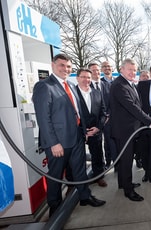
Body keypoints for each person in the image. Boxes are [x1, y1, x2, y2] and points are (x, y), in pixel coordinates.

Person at [32, 54, 105, 217]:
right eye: (62, 65)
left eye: (69, 66)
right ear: (53, 65)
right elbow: (43, 119)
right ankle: (55, 207)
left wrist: (83, 132)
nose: (66, 69)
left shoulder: (71, 86)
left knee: (80, 172)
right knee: (56, 176)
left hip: (77, 139)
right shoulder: (44, 86)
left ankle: (85, 197)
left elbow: (77, 112)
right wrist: (53, 143)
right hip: (58, 143)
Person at [109, 58, 151, 202]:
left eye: (134, 70)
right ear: (122, 70)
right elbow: (132, 107)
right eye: (129, 69)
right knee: (126, 161)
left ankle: (123, 184)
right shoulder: (119, 85)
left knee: (124, 160)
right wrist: (150, 122)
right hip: (124, 131)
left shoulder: (128, 84)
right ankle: (128, 191)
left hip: (129, 130)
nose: (133, 72)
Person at [76, 67, 108, 187]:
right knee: (77, 158)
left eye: (88, 77)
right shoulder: (73, 93)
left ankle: (98, 176)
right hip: (79, 131)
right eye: (83, 77)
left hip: (95, 131)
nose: (86, 79)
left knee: (98, 155)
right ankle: (75, 184)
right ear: (77, 78)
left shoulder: (97, 93)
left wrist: (98, 127)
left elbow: (103, 113)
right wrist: (83, 131)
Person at [91, 62, 117, 170]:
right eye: (93, 70)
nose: (96, 72)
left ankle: (114, 163)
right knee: (96, 147)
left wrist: (107, 116)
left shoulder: (108, 85)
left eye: (97, 70)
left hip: (107, 119)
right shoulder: (88, 85)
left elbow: (112, 102)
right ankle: (100, 168)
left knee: (110, 141)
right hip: (93, 122)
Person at [134, 70, 151, 169]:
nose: (145, 78)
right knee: (139, 142)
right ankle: (138, 158)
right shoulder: (135, 88)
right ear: (139, 78)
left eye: (147, 76)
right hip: (139, 120)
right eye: (143, 76)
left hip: (150, 120)